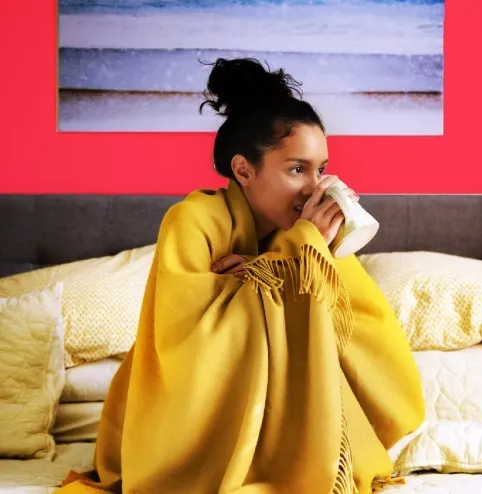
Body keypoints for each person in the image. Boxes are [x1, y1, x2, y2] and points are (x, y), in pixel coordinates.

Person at [57, 58, 425, 494]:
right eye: (296, 169)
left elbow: (358, 331)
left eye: (321, 169)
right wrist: (291, 261)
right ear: (244, 171)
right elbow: (188, 347)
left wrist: (284, 263)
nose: (314, 187)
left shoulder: (309, 236)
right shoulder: (191, 219)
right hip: (180, 426)